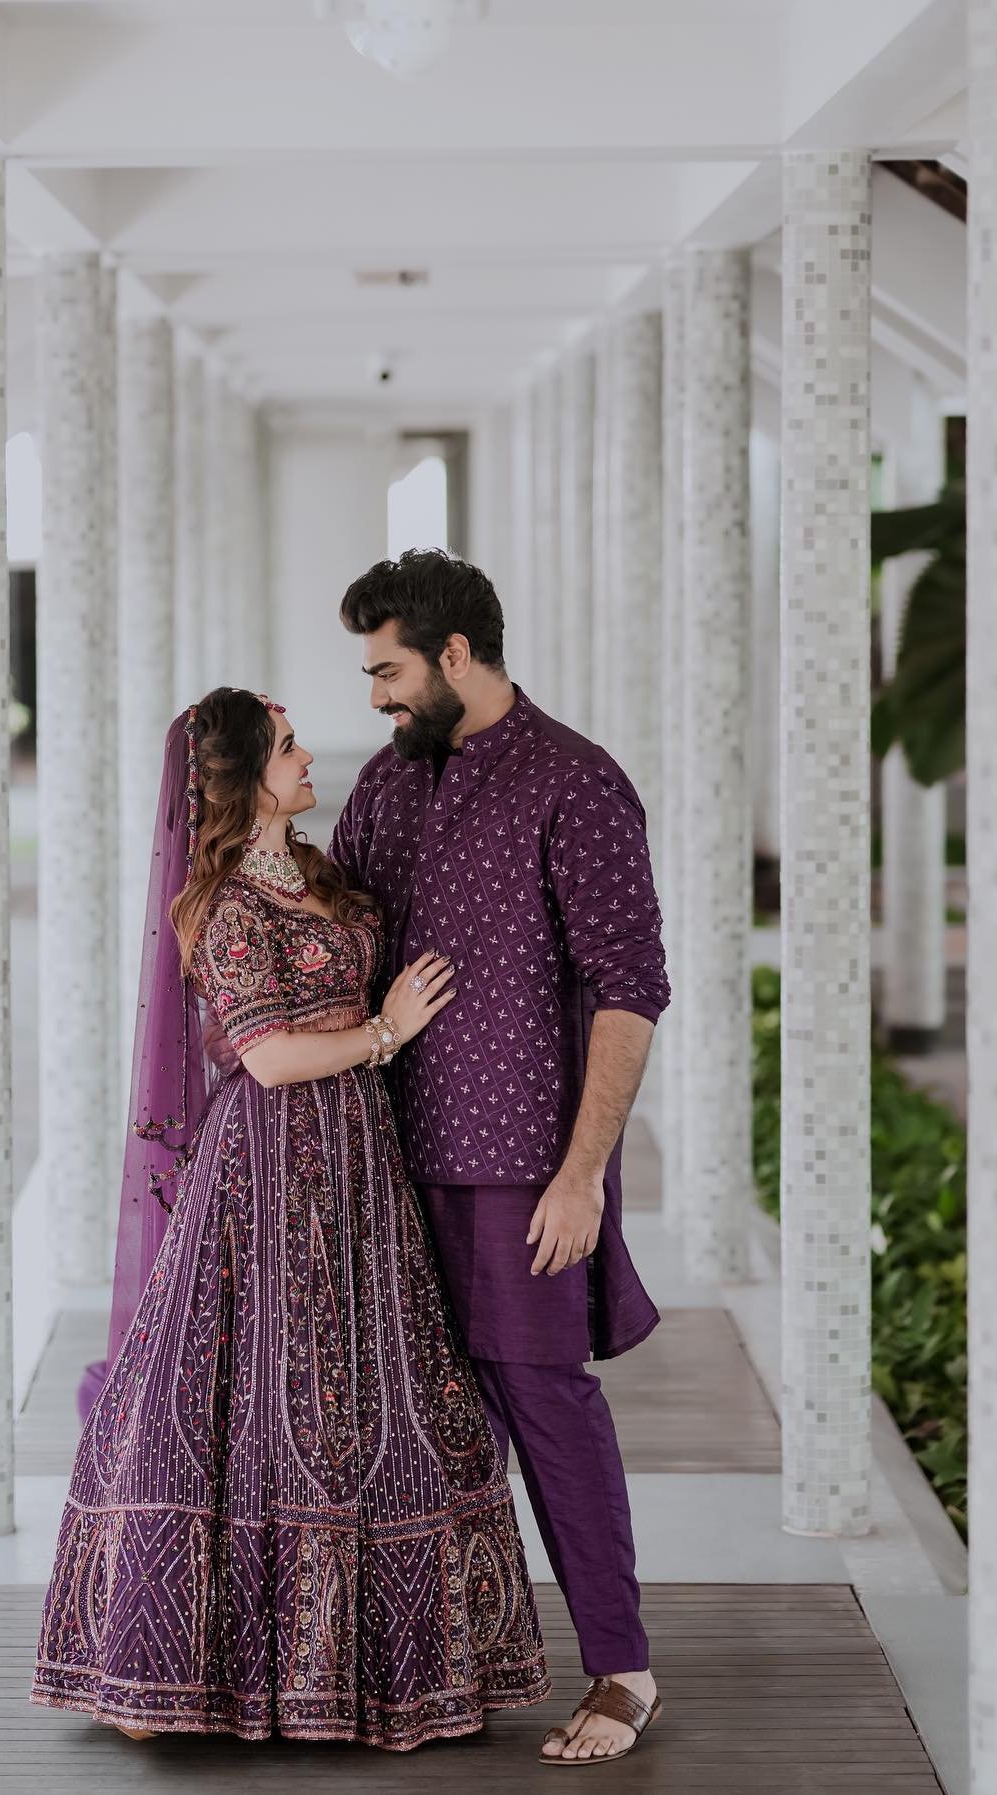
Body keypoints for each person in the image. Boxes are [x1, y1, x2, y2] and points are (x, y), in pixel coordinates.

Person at [29, 687, 552, 1750]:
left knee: (380, 1390)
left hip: (361, 1165)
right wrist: (388, 1031)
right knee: (260, 1394)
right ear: (242, 778)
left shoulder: (320, 874)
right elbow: (266, 1059)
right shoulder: (220, 906)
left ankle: (383, 1667)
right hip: (264, 1178)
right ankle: (197, 1668)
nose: (309, 755)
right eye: (287, 747)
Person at [326, 547, 670, 1767]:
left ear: (456, 653)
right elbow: (338, 936)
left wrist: (582, 1176)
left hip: (523, 1164)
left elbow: (630, 991)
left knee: (546, 1404)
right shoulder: (387, 783)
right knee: (404, 1416)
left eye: (388, 671)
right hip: (385, 1158)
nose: (376, 696)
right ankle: (427, 1668)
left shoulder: (576, 782)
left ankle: (623, 1670)